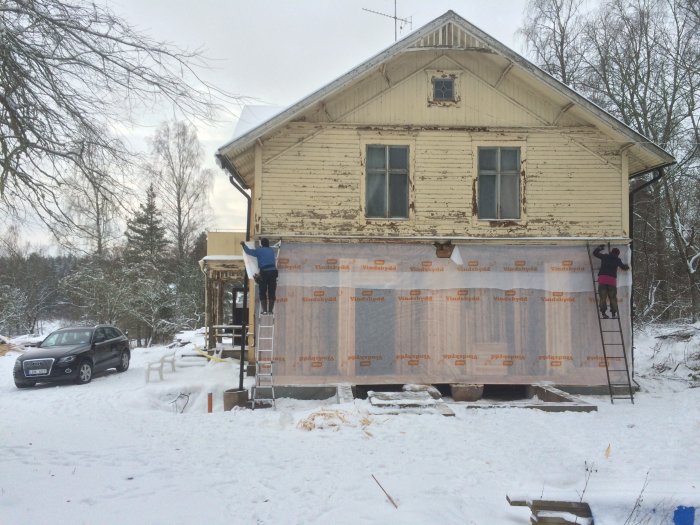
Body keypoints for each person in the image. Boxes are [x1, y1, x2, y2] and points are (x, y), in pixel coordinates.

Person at [241, 238, 278, 315]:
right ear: (268, 244)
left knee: (262, 291)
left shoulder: (259, 250)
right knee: (271, 291)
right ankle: (270, 311)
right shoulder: (271, 250)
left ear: (262, 244)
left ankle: (264, 310)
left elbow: (249, 252)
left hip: (264, 272)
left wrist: (243, 245)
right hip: (273, 272)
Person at [593, 244, 630, 318]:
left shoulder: (605, 256)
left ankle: (603, 314)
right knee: (612, 298)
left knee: (603, 298)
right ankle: (613, 314)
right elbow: (623, 267)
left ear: (611, 252)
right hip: (611, 281)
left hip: (602, 279)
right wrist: (627, 266)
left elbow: (595, 253)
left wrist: (600, 248)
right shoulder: (617, 260)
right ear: (618, 254)